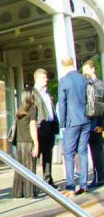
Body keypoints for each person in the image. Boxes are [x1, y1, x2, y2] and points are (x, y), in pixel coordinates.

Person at [58, 57, 91, 197]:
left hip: (72, 122)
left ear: (64, 66)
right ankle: (84, 185)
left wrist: (62, 123)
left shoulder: (64, 80)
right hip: (86, 120)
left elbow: (62, 103)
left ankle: (71, 187)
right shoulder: (84, 78)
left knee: (69, 154)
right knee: (83, 152)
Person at [31, 67, 59, 186]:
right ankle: (32, 183)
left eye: (46, 77)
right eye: (43, 77)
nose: (46, 79)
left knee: (48, 156)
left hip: (50, 127)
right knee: (35, 156)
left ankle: (48, 180)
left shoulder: (47, 92)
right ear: (37, 78)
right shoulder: (32, 93)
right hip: (39, 128)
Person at [11, 92, 39, 198]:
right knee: (30, 167)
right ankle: (29, 192)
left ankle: (18, 192)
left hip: (19, 143)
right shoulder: (33, 109)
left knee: (19, 169)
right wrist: (36, 143)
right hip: (28, 142)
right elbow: (33, 127)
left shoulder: (20, 110)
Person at [82, 60, 104, 188]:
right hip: (90, 122)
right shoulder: (87, 84)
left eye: (86, 70)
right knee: (95, 151)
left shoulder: (99, 85)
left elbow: (102, 106)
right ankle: (99, 176)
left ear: (92, 69)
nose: (84, 73)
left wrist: (102, 125)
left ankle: (100, 177)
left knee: (97, 151)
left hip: (96, 123)